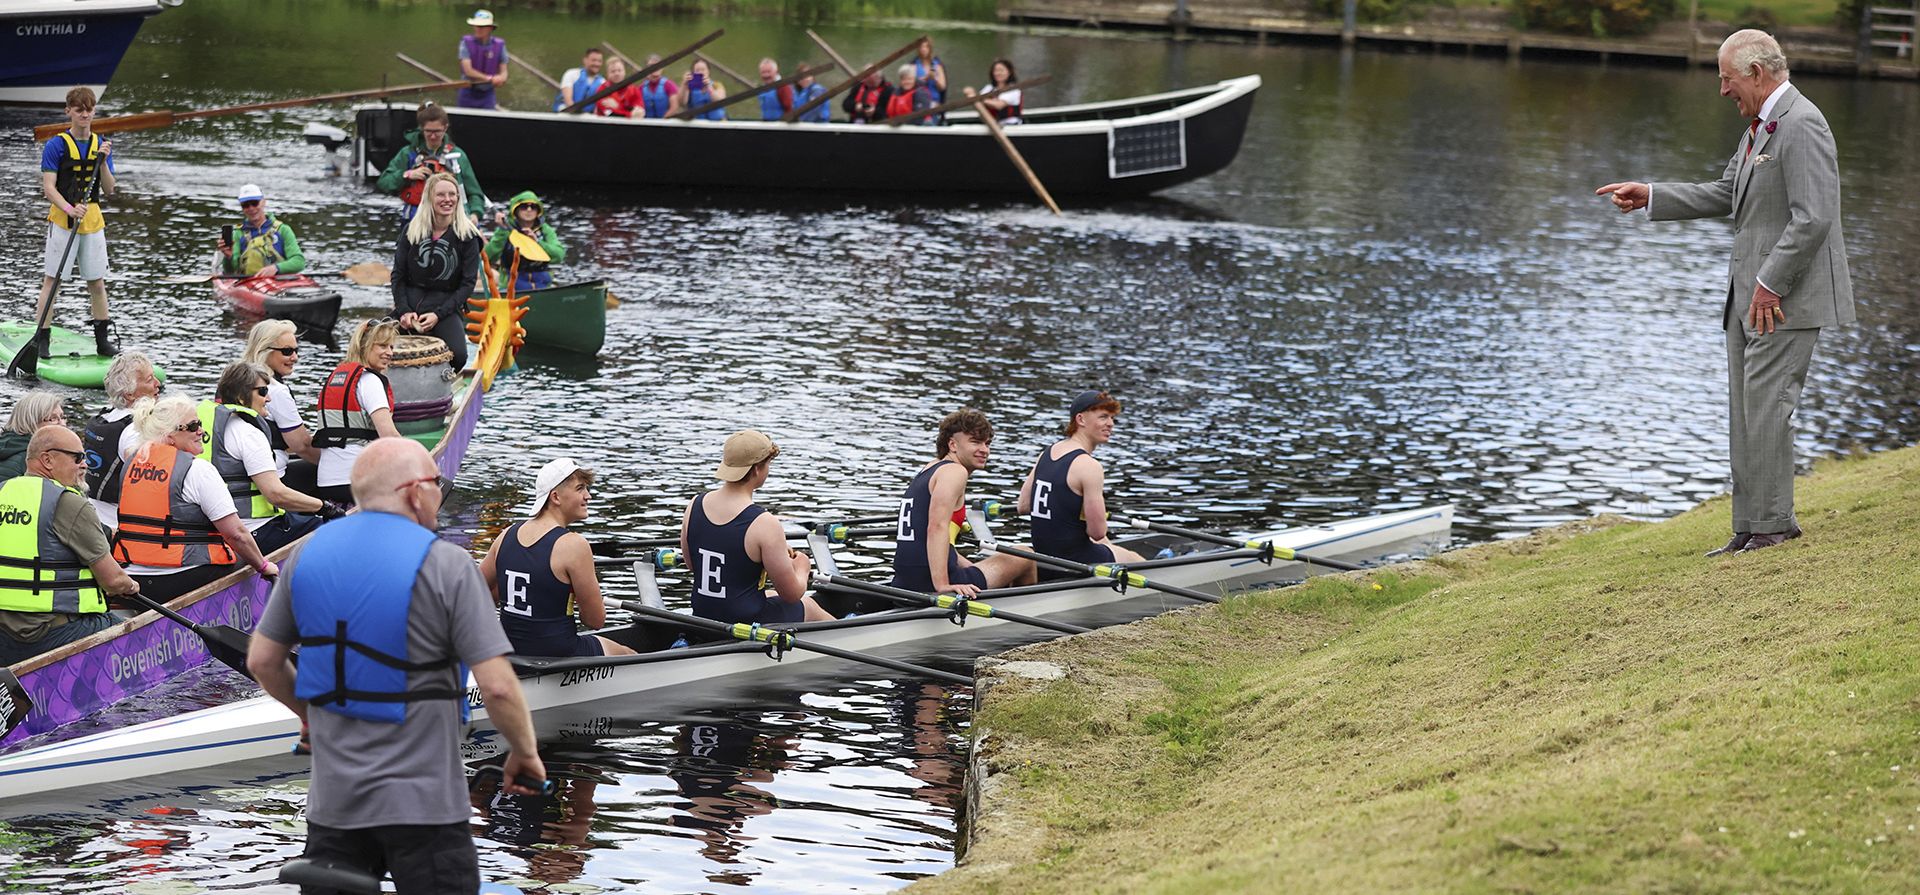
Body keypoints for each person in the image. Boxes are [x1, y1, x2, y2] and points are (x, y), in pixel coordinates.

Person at [1595, 29, 1854, 557]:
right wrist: (1652, 195)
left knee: (1767, 410)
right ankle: (1751, 527)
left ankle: (1774, 526)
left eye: (1726, 79)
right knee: (1747, 411)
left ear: (1756, 74)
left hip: (1784, 299)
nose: (1722, 90)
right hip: (1751, 299)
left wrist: (1768, 284)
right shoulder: (1761, 127)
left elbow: (1815, 218)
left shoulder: (1803, 124)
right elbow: (1724, 192)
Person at [247, 437, 545, 894]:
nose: (439, 496)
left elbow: (264, 661)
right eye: (437, 484)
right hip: (425, 811)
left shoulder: (306, 553)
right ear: (413, 490)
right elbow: (500, 688)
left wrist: (310, 716)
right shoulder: (447, 564)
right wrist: (524, 754)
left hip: (334, 811)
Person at [112, 394, 279, 602]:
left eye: (199, 423)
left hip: (135, 575)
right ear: (170, 434)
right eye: (192, 426)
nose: (201, 431)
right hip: (182, 576)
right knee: (249, 556)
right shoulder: (197, 469)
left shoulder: (131, 464)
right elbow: (236, 534)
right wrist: (263, 566)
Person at [0, 425, 141, 667]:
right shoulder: (68, 502)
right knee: (133, 636)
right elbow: (113, 581)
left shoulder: (4, 491)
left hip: (4, 635)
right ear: (47, 459)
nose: (84, 465)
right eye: (76, 457)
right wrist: (131, 585)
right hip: (47, 635)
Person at [480, 458, 635, 657]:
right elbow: (595, 621)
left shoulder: (506, 535)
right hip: (558, 653)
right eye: (580, 488)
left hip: (509, 652)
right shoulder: (574, 545)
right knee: (627, 653)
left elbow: (474, 592)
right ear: (555, 497)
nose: (588, 496)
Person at [679, 431, 830, 624]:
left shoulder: (694, 505)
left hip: (703, 617)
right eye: (768, 464)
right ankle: (849, 641)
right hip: (747, 624)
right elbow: (791, 594)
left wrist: (769, 554)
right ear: (758, 469)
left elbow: (693, 564)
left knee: (769, 594)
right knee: (807, 604)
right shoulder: (764, 523)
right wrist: (801, 567)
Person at [197, 361, 344, 556]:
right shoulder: (248, 433)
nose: (268, 398)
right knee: (329, 528)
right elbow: (276, 494)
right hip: (255, 529)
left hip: (215, 526)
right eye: (263, 391)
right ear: (242, 397)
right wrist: (325, 507)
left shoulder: (202, 428)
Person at [889, 409, 1036, 597]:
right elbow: (936, 527)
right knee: (1025, 556)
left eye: (987, 443)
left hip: (905, 580)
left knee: (997, 562)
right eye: (975, 442)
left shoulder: (929, 469)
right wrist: (942, 586)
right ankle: (1021, 611)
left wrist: (973, 567)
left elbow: (930, 535)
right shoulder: (955, 472)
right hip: (932, 582)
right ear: (953, 444)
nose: (985, 450)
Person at [1016, 391, 1146, 581]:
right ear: (1081, 419)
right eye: (1103, 417)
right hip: (1075, 562)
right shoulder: (1089, 467)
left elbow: (1023, 506)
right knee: (1134, 558)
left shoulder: (1047, 452)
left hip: (1043, 559)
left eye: (1111, 418)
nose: (1111, 424)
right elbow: (1097, 532)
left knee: (1110, 547)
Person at [33, 86, 120, 364]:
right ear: (68, 111)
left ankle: (102, 341)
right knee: (53, 280)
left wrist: (103, 162)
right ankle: (41, 337)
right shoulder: (56, 145)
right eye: (79, 109)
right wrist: (70, 208)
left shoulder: (101, 143)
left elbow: (109, 189)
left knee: (97, 282)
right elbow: (49, 188)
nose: (85, 114)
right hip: (63, 220)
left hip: (93, 221)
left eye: (89, 109)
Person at [391, 171, 483, 371]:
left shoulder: (468, 236)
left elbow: (467, 284)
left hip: (445, 305)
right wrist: (404, 311)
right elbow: (398, 276)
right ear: (429, 198)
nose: (447, 200)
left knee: (458, 356)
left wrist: (438, 315)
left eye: (452, 194)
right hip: (410, 302)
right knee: (370, 344)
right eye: (441, 195)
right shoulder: (411, 231)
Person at [314, 320, 403, 507]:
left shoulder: (336, 377)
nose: (390, 352)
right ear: (364, 346)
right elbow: (389, 436)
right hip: (357, 480)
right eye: (382, 346)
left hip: (326, 481)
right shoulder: (370, 381)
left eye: (392, 347)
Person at [241, 320, 321, 493]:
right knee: (325, 473)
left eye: (296, 350)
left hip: (239, 474)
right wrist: (338, 465)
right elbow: (302, 446)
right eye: (287, 351)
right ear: (264, 350)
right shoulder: (275, 391)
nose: (295, 357)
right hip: (273, 479)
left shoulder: (233, 382)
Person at [83, 351, 161, 528]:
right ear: (129, 394)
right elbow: (150, 480)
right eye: (149, 380)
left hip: (93, 516)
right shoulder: (134, 429)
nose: (158, 384)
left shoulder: (102, 418)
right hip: (120, 524)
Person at [374, 103, 486, 224]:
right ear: (422, 129)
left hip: (450, 221)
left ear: (445, 128)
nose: (433, 136)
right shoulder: (407, 153)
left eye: (437, 131)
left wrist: (475, 214)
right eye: (428, 131)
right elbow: (383, 182)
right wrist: (407, 175)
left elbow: (475, 193)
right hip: (416, 221)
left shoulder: (457, 156)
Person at [215, 184, 306, 278]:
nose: (251, 208)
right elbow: (230, 271)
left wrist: (276, 268)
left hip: (279, 281)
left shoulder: (283, 230)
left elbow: (299, 262)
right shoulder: (238, 234)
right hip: (248, 283)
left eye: (254, 203)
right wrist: (228, 257)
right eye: (245, 205)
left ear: (263, 202)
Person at [486, 191, 566, 291]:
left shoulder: (545, 230)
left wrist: (538, 243)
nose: (529, 210)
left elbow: (559, 255)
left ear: (538, 211)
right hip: (511, 285)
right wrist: (502, 231)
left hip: (542, 283)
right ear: (515, 210)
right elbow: (488, 256)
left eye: (533, 207)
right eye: (524, 206)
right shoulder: (505, 230)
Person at [0, 391, 65, 480]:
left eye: (62, 417)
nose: (63, 424)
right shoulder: (23, 460)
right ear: (32, 422)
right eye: (53, 419)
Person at [456, 9, 508, 110]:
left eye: (482, 27)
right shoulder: (465, 43)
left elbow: (504, 71)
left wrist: (501, 79)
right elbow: (468, 71)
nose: (478, 29)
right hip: (468, 91)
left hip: (488, 93)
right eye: (476, 26)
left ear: (490, 28)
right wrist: (489, 78)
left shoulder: (500, 45)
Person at [553, 47, 606, 113]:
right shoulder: (571, 74)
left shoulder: (603, 82)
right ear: (585, 60)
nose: (597, 64)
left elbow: (599, 105)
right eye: (593, 60)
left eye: (599, 61)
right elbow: (568, 100)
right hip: (565, 113)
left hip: (587, 117)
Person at [976, 58, 1023, 124]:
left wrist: (982, 100)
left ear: (1009, 72)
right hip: (992, 123)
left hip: (1010, 124)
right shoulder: (989, 88)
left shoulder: (1013, 89)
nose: (998, 73)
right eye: (995, 70)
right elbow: (977, 100)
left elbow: (999, 105)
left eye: (1001, 70)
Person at [912, 37, 947, 116]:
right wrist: (926, 78)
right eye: (921, 47)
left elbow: (942, 87)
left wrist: (935, 78)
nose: (923, 49)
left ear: (930, 48)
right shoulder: (914, 65)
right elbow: (910, 85)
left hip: (934, 101)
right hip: (919, 101)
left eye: (926, 47)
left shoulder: (937, 66)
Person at [636, 54, 679, 119]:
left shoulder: (669, 85)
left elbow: (674, 107)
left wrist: (662, 122)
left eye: (657, 66)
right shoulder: (641, 88)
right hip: (647, 123)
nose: (654, 69)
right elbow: (637, 107)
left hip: (665, 123)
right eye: (651, 66)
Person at [755, 58, 794, 122]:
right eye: (763, 72)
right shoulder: (762, 89)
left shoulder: (783, 87)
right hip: (766, 126)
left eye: (768, 72)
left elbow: (789, 108)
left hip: (781, 127)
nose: (766, 75)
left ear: (776, 72)